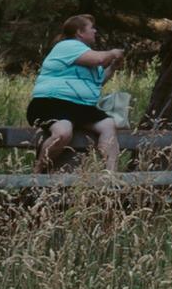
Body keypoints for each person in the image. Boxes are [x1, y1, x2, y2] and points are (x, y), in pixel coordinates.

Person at [25, 16, 125, 172]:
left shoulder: (86, 56)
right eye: (91, 27)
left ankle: (111, 175)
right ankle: (37, 172)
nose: (95, 31)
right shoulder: (67, 46)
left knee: (108, 125)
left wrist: (112, 68)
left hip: (79, 107)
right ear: (79, 32)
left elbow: (97, 82)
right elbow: (99, 59)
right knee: (63, 132)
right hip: (51, 103)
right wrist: (113, 53)